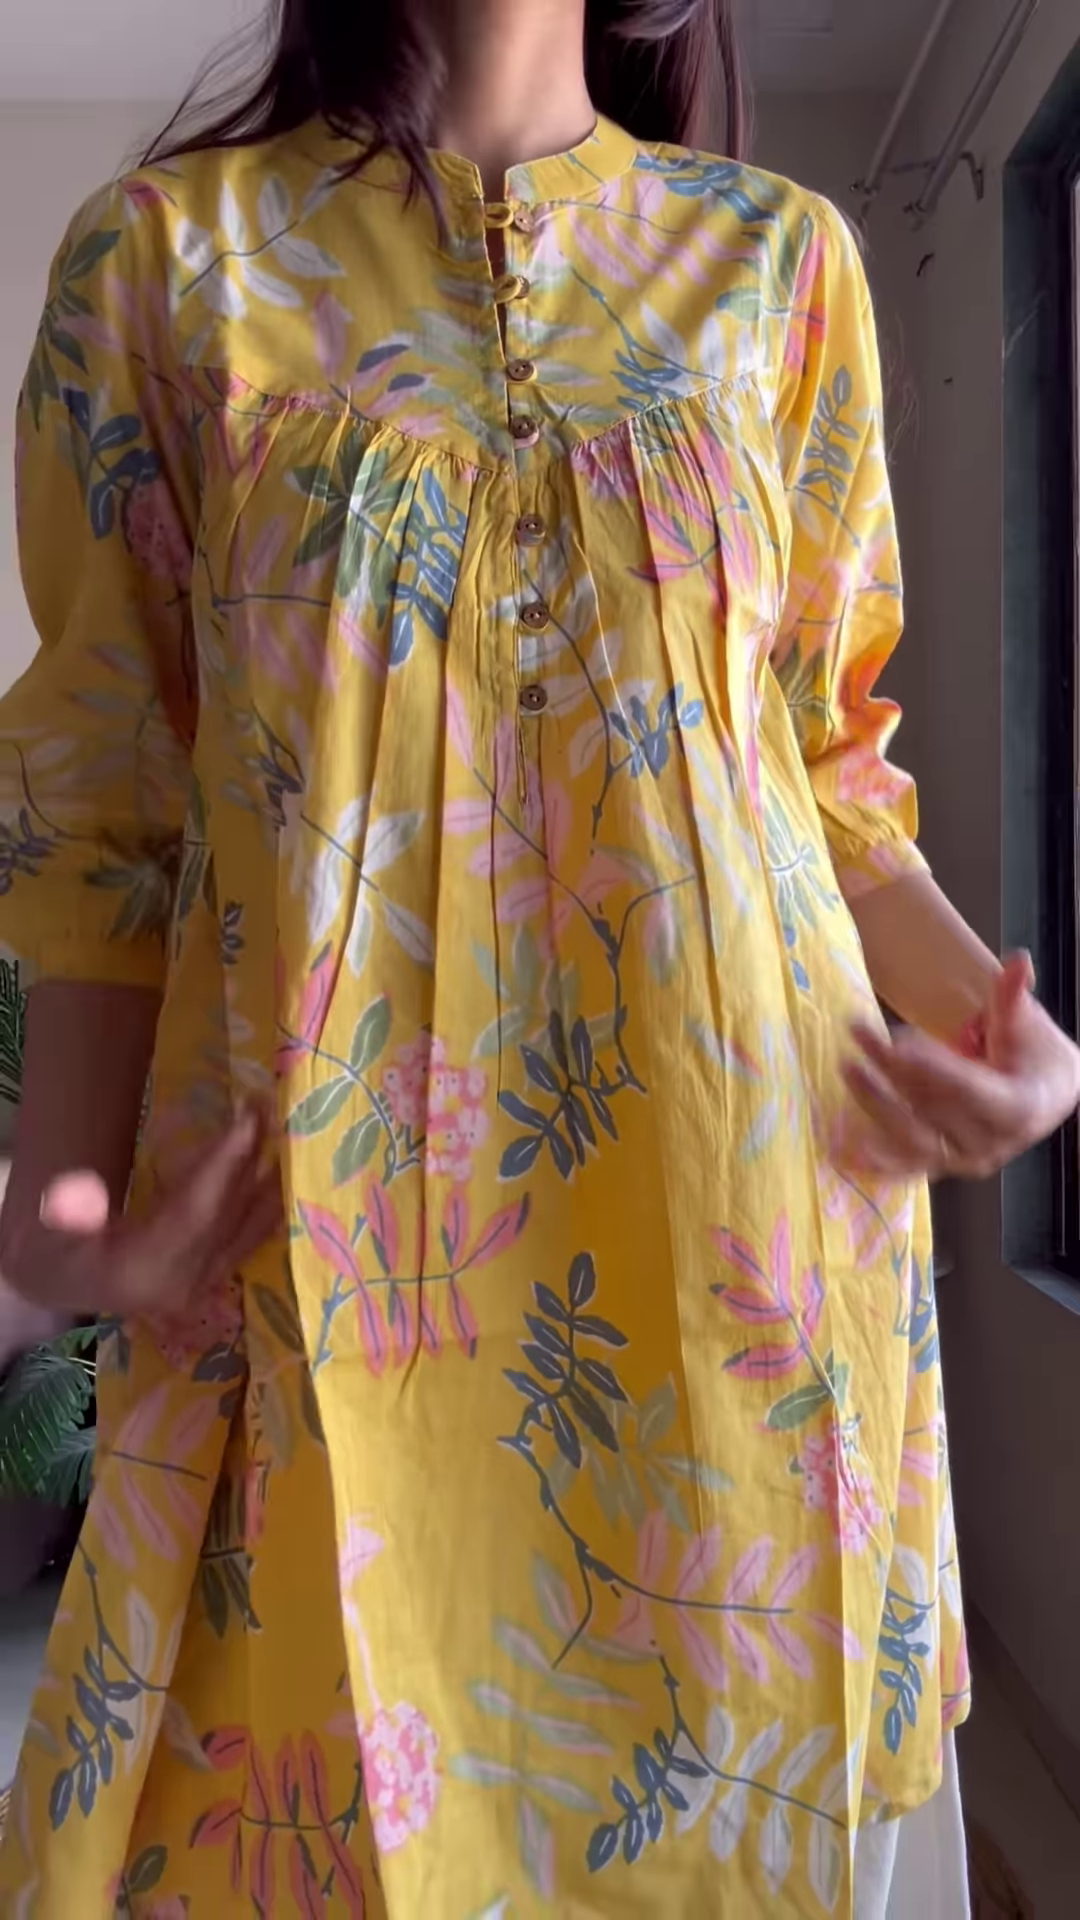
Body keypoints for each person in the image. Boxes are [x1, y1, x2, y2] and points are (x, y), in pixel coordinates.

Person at [0, 0, 1075, 1911]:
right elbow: (106, 800)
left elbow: (822, 767)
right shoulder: (168, 267)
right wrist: (64, 1209)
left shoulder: (780, 268)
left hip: (744, 1262)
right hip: (325, 1272)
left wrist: (1000, 1031)